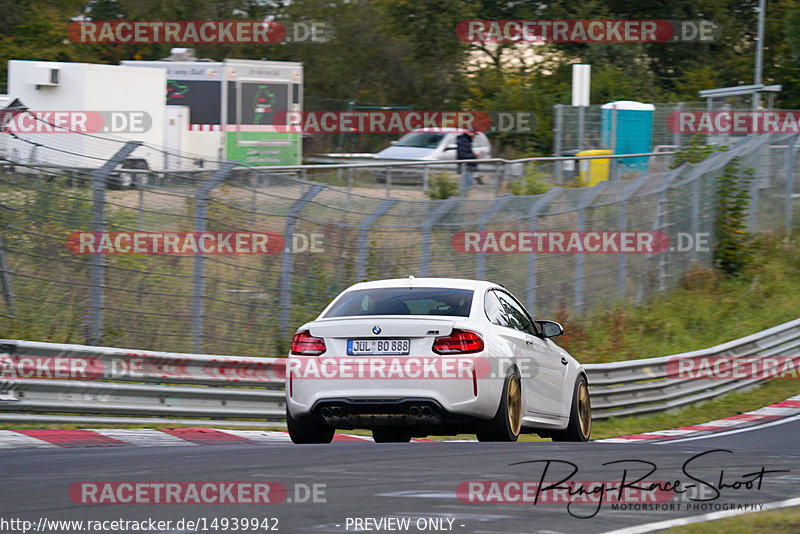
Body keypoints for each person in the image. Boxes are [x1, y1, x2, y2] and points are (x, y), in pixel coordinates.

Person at [456, 127, 479, 194]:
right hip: (465, 168)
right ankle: (462, 201)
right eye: (474, 134)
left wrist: (473, 155)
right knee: (465, 188)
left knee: (467, 187)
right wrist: (474, 155)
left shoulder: (466, 141)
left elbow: (465, 153)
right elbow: (461, 155)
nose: (475, 136)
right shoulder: (464, 141)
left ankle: (463, 199)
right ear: (470, 133)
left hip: (467, 168)